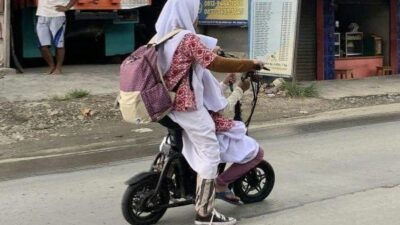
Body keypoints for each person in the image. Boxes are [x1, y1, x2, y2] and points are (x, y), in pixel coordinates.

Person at [155, 0, 264, 224]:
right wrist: (251, 64)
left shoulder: (160, 38)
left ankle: (162, 175)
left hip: (165, 105)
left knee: (176, 142)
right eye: (195, 12)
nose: (196, 18)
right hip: (186, 106)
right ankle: (204, 214)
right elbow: (215, 62)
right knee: (210, 154)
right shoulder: (186, 38)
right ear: (187, 11)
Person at [36, 0, 77, 75]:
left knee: (59, 44)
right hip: (42, 15)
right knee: (42, 45)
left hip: (57, 15)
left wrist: (67, 7)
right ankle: (51, 66)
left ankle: (58, 68)